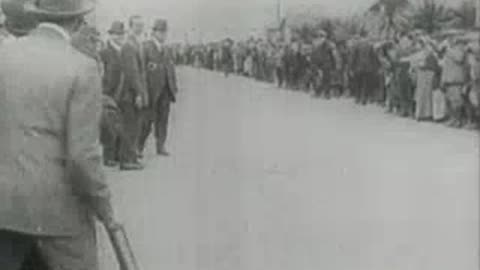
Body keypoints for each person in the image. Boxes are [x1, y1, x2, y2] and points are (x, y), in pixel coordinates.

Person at [0, 0, 116, 269]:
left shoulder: (4, 56)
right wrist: (105, 208)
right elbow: (82, 157)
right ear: (77, 22)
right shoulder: (82, 67)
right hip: (59, 217)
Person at [140, 18, 178, 156]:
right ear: (154, 32)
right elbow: (142, 71)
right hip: (151, 91)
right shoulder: (146, 47)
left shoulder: (167, 49)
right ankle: (139, 147)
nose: (163, 35)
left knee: (163, 120)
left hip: (165, 91)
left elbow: (171, 69)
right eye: (160, 32)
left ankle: (160, 146)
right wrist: (143, 91)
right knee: (147, 120)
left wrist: (174, 87)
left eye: (164, 32)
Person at [119, 15, 147, 170]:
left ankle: (132, 157)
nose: (140, 28)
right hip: (130, 94)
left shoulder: (135, 43)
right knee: (130, 126)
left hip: (133, 92)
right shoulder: (129, 45)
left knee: (135, 126)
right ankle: (127, 160)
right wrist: (138, 93)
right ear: (130, 26)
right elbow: (132, 72)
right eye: (137, 25)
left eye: (141, 25)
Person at [99, 21, 127, 167]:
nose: (119, 37)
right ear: (110, 35)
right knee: (109, 126)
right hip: (108, 93)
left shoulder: (124, 51)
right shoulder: (104, 52)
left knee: (120, 124)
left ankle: (117, 154)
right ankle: (108, 156)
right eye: (116, 34)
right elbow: (101, 73)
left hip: (122, 93)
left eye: (121, 34)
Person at [440, 38, 468, 127]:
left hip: (456, 81)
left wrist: (449, 50)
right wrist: (443, 79)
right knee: (451, 101)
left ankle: (458, 120)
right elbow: (445, 67)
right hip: (449, 80)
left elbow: (459, 58)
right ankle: (453, 119)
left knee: (457, 102)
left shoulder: (460, 51)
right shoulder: (450, 52)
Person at [311, 29, 340, 99]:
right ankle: (318, 92)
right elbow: (314, 55)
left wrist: (336, 64)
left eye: (322, 36)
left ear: (325, 37)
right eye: (319, 36)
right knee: (318, 79)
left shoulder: (330, 44)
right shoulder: (316, 44)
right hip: (318, 65)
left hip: (327, 65)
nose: (320, 38)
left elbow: (334, 55)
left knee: (326, 79)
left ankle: (326, 94)